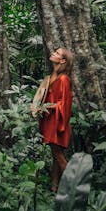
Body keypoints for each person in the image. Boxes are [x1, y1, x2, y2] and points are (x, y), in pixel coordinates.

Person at [37, 47, 73, 193]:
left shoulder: (64, 79)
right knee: (55, 156)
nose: (53, 53)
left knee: (57, 154)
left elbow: (64, 104)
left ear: (63, 60)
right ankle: (54, 187)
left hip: (57, 122)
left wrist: (47, 106)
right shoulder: (51, 76)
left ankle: (74, 187)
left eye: (57, 53)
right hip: (50, 120)